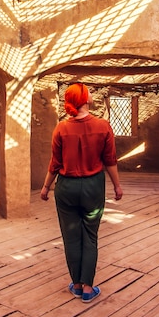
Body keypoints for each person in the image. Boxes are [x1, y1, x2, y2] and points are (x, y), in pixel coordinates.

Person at [40, 83, 123, 303]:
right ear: (85, 99)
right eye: (89, 92)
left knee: (71, 238)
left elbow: (55, 163)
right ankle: (88, 288)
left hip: (66, 187)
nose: (92, 94)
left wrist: (46, 186)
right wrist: (117, 186)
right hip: (93, 187)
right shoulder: (103, 126)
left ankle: (76, 285)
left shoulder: (61, 128)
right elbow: (110, 161)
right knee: (90, 237)